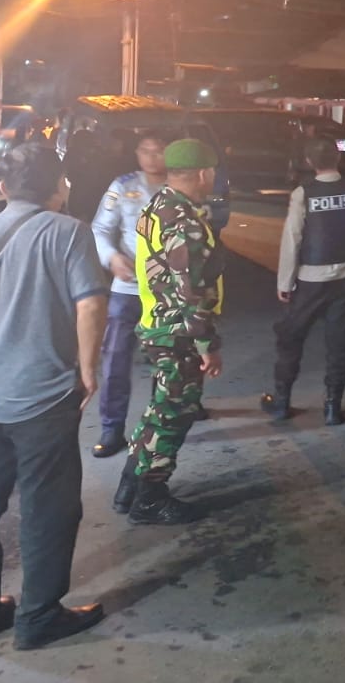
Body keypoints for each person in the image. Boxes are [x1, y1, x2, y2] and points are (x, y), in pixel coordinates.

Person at [0, 143, 108, 650]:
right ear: (59, 187)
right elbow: (90, 304)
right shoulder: (69, 232)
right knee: (48, 508)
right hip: (40, 395)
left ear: (3, 187)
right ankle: (38, 618)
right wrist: (89, 369)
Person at [116, 138, 224, 526]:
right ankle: (150, 499)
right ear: (203, 173)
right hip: (177, 331)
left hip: (157, 323)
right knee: (174, 414)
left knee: (159, 409)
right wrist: (207, 344)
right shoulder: (184, 223)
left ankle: (130, 485)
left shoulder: (158, 204)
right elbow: (190, 290)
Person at [261, 137, 345, 426]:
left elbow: (293, 239)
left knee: (290, 337)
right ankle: (333, 407)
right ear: (338, 159)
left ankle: (281, 402)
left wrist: (285, 283)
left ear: (309, 162)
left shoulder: (303, 193)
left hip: (311, 279)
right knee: (339, 343)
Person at [89, 129, 170, 458]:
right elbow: (100, 228)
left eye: (158, 150)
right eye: (145, 150)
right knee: (115, 358)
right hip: (128, 288)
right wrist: (111, 257)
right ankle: (112, 428)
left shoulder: (179, 185)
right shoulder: (123, 186)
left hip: (167, 290)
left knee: (167, 359)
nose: (151, 157)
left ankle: (162, 422)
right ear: (136, 153)